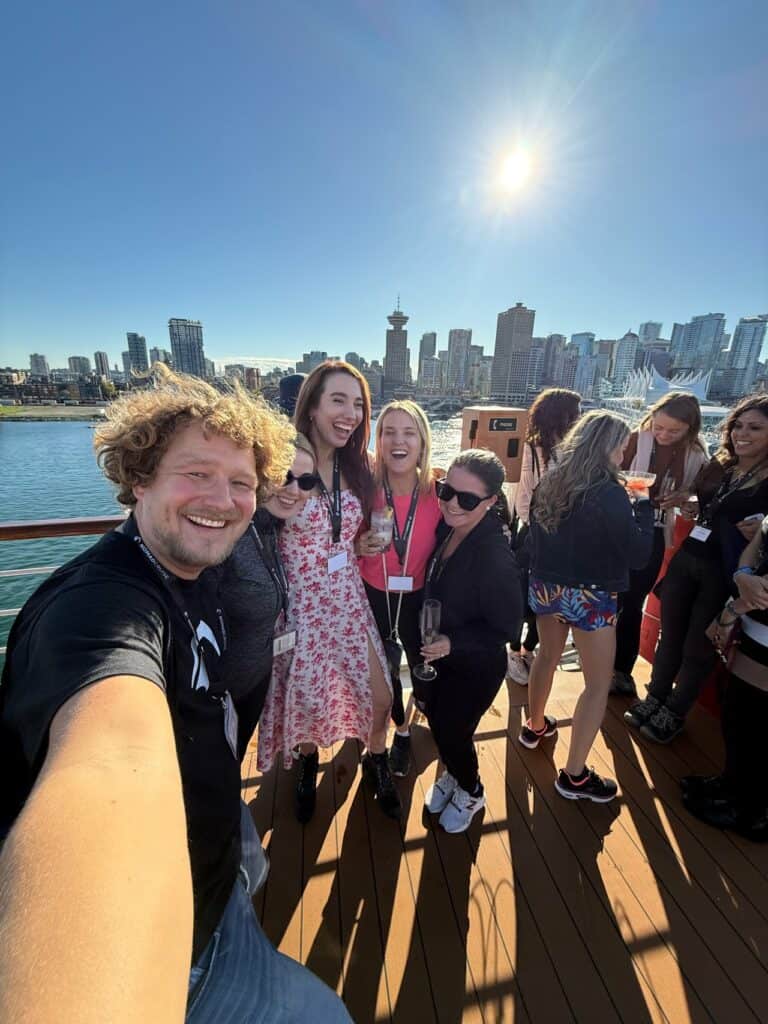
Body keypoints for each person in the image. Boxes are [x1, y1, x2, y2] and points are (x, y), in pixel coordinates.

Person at [0, 367, 353, 1024]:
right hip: (186, 943)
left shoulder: (196, 567)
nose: (222, 499)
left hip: (220, 848)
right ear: (140, 480)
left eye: (242, 482)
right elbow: (108, 759)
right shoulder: (101, 603)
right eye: (196, 473)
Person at [257, 361, 399, 820]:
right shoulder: (283, 464)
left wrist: (360, 542)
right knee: (303, 696)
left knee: (381, 696)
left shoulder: (359, 467)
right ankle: (306, 761)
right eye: (338, 400)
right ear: (312, 408)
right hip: (298, 605)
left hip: (346, 598)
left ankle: (376, 756)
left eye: (358, 404)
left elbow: (348, 531)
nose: (351, 413)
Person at [520, 412, 654, 802]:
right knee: (597, 685)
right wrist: (644, 507)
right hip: (590, 596)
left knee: (546, 655)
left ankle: (534, 726)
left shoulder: (551, 480)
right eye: (622, 447)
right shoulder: (609, 491)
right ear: (608, 446)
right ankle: (574, 776)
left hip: (546, 587)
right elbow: (638, 554)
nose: (623, 454)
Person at [625, 394, 768, 743]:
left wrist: (763, 522)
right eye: (738, 425)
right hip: (689, 557)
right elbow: (704, 505)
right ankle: (655, 696)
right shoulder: (723, 464)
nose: (741, 434)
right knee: (669, 633)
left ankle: (674, 711)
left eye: (755, 427)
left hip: (724, 569)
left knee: (697, 645)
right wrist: (688, 502)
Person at [420, 450, 523, 833]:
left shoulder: (494, 555)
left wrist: (452, 642)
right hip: (444, 659)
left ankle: (471, 788)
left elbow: (507, 627)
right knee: (440, 723)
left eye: (467, 499)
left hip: (475, 666)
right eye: (446, 491)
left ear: (492, 501)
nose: (451, 503)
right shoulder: (448, 528)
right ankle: (452, 774)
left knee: (453, 731)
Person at [217, 433, 318, 761]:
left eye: (306, 481)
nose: (294, 490)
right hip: (220, 695)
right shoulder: (226, 533)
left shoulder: (272, 527)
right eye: (283, 476)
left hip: (253, 683)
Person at [357, 400, 442, 777]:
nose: (398, 440)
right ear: (378, 440)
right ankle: (402, 732)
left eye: (408, 432)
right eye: (388, 432)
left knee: (425, 671)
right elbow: (343, 538)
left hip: (420, 600)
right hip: (373, 594)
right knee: (387, 676)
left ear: (422, 441)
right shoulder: (364, 490)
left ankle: (421, 712)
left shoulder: (440, 494)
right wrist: (359, 546)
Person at [610, 392, 709, 696]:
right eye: (659, 426)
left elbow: (698, 502)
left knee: (632, 601)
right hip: (615, 527)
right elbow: (605, 475)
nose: (663, 435)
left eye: (673, 430)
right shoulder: (633, 440)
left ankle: (621, 669)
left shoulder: (697, 456)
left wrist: (685, 499)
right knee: (605, 598)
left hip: (652, 531)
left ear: (690, 430)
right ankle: (597, 662)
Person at [682, 516, 768, 842]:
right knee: (737, 710)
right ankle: (731, 783)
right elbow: (760, 538)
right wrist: (744, 574)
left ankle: (751, 810)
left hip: (759, 621)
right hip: (756, 627)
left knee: (756, 724)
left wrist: (733, 609)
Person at [508, 387, 581, 686]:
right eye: (575, 412)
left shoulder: (570, 449)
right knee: (534, 595)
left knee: (539, 598)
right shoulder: (534, 449)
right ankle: (518, 650)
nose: (579, 417)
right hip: (542, 534)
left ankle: (523, 650)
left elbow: (522, 499)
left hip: (543, 533)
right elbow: (524, 495)